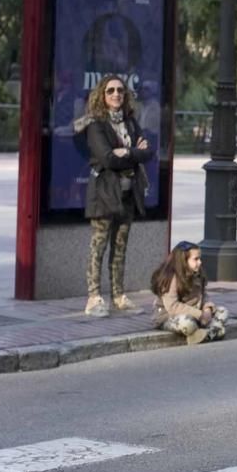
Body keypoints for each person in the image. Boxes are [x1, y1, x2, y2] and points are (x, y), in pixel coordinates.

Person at [77, 75, 154, 318]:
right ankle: (94, 297)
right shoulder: (96, 124)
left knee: (120, 247)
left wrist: (126, 152)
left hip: (128, 193)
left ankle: (119, 296)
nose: (116, 94)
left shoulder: (130, 122)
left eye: (120, 90)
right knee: (98, 246)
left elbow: (148, 152)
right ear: (102, 94)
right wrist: (133, 153)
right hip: (104, 192)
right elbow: (107, 158)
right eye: (110, 90)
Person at [150, 241, 229, 345]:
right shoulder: (171, 278)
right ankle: (212, 333)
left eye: (199, 258)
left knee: (223, 312)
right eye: (196, 259)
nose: (200, 262)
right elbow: (173, 307)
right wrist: (200, 315)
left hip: (196, 313)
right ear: (183, 261)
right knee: (187, 323)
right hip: (169, 316)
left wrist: (207, 309)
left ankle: (204, 335)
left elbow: (203, 295)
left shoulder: (197, 273)